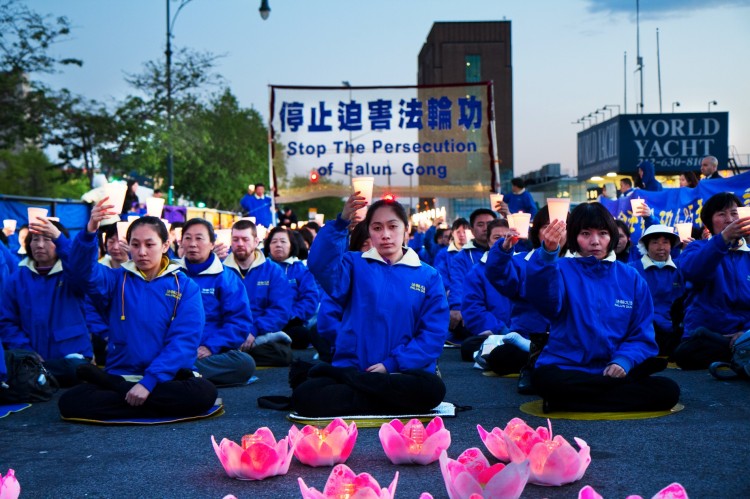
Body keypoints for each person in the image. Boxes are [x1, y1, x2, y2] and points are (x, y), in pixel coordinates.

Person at [292, 195, 449, 417]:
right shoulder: (353, 264)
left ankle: (362, 393)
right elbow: (320, 264)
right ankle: (384, 398)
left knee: (432, 389)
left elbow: (433, 334)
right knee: (305, 395)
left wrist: (391, 364)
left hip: (401, 372)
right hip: (356, 369)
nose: (385, 235)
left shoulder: (428, 276)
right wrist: (341, 223)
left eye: (392, 226)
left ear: (406, 229)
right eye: (377, 228)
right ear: (369, 231)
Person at [57, 205, 217, 420]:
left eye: (150, 244)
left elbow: (184, 341)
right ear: (129, 246)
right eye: (135, 244)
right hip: (123, 373)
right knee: (70, 402)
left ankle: (125, 393)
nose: (142, 252)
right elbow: (81, 273)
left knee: (203, 393)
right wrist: (90, 231)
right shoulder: (115, 279)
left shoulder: (185, 287)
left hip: (166, 378)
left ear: (165, 244)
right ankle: (137, 397)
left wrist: (149, 382)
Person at [527, 202, 680, 413]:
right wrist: (548, 254)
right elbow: (547, 305)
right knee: (545, 379)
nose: (595, 241)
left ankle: (568, 402)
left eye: (603, 233)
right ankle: (604, 395)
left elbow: (641, 334)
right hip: (567, 366)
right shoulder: (558, 268)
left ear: (612, 237)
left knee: (668, 390)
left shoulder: (631, 278)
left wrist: (624, 361)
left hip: (613, 368)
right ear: (573, 236)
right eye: (585, 233)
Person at [0, 219, 92, 387]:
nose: (40, 245)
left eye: (48, 239)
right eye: (35, 239)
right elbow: (7, 322)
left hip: (71, 357)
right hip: (32, 361)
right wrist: (27, 353)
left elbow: (81, 266)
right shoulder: (16, 280)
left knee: (74, 369)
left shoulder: (72, 275)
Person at [672, 192, 750, 369]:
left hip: (744, 337)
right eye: (721, 214)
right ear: (709, 222)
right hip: (710, 337)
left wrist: (744, 333)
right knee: (689, 350)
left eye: (734, 213)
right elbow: (693, 271)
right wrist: (723, 240)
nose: (730, 219)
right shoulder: (696, 248)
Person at [180, 218, 256, 386]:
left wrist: (210, 347)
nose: (192, 244)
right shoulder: (172, 275)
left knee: (244, 364)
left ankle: (178, 372)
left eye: (199, 238)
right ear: (180, 242)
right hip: (176, 347)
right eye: (187, 238)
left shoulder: (226, 277)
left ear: (212, 243)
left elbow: (239, 322)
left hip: (208, 352)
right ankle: (182, 372)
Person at [485, 206, 553, 392]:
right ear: (536, 231)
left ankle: (535, 355)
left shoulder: (577, 263)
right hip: (528, 332)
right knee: (500, 357)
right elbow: (499, 277)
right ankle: (532, 352)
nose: (554, 231)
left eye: (561, 225)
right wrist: (504, 249)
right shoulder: (522, 260)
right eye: (546, 226)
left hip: (567, 337)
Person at [223, 219, 293, 366]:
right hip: (228, 332)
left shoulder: (273, 270)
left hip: (260, 333)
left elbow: (280, 310)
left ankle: (233, 358)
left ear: (256, 241)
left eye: (245, 239)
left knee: (281, 354)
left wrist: (254, 330)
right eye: (235, 239)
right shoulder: (220, 271)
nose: (240, 244)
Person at [459, 219, 513, 362]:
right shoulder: (476, 272)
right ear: (489, 242)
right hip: (494, 333)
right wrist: (502, 330)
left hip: (523, 331)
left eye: (508, 237)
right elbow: (473, 309)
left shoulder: (523, 266)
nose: (503, 242)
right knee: (469, 346)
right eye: (496, 238)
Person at [629, 225, 685, 356]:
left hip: (676, 329)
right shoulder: (632, 269)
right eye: (655, 242)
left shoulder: (681, 266)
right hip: (645, 328)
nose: (661, 247)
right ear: (646, 246)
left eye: (665, 242)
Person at [264, 226, 319, 350]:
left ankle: (269, 342)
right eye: (274, 241)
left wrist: (290, 315)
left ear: (291, 245)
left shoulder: (301, 270)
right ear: (268, 246)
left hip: (291, 321)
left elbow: (310, 299)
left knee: (302, 335)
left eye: (283, 241)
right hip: (265, 321)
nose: (278, 245)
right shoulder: (261, 269)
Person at [447, 209, 497, 342]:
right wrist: (456, 307)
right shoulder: (462, 257)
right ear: (472, 230)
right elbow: (457, 283)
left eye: (490, 223)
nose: (486, 228)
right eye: (480, 224)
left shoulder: (508, 252)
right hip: (477, 309)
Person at [433, 218, 468, 295]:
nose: (462, 235)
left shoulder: (473, 252)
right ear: (452, 233)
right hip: (451, 295)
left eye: (464, 232)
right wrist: (451, 292)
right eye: (458, 232)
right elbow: (440, 274)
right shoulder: (443, 254)